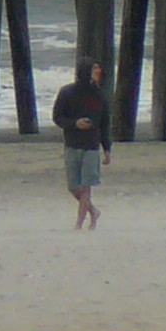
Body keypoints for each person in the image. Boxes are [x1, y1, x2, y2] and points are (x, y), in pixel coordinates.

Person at [51, 57, 111, 230]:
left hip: (92, 146)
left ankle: (79, 223)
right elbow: (57, 117)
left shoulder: (100, 95)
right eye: (95, 69)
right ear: (86, 72)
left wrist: (107, 149)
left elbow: (105, 123)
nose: (98, 72)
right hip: (72, 144)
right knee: (73, 187)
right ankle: (93, 211)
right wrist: (74, 124)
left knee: (86, 186)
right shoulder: (67, 92)